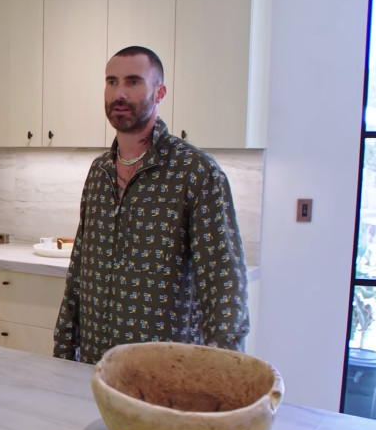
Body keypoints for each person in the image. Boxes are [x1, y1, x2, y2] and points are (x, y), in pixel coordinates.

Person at [53, 46, 250, 364]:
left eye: (133, 82)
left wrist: (221, 376)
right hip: (95, 368)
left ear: (159, 93)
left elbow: (223, 284)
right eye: (112, 81)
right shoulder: (99, 171)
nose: (119, 93)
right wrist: (63, 351)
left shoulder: (195, 171)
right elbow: (79, 271)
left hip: (164, 374)